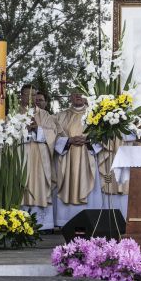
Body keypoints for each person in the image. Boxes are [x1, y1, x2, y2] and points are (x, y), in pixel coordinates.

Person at [19, 84, 61, 231]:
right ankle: (20, 221)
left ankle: (43, 224)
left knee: (40, 187)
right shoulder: (13, 114)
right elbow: (6, 136)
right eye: (27, 95)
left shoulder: (44, 115)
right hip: (21, 157)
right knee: (22, 186)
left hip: (41, 159)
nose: (31, 98)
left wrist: (38, 129)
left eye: (33, 95)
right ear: (21, 96)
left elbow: (53, 134)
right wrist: (23, 130)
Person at [53, 92, 97, 226]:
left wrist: (89, 140)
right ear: (70, 97)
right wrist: (68, 140)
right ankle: (64, 222)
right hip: (68, 157)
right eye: (74, 94)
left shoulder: (94, 115)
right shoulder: (60, 116)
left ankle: (88, 222)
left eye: (81, 94)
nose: (77, 96)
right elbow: (53, 137)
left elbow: (103, 138)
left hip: (86, 156)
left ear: (86, 97)